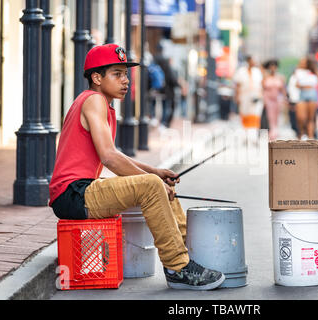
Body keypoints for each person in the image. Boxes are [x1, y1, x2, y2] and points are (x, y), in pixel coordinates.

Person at [49, 44, 225, 290]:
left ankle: (189, 257)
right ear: (97, 78)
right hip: (73, 195)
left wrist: (155, 172)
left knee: (160, 184)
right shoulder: (94, 101)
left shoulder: (101, 104)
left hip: (84, 190)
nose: (126, 80)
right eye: (117, 74)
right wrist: (153, 180)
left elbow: (114, 154)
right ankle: (177, 267)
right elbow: (109, 157)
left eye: (126, 74)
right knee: (154, 187)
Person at [233, 56, 264, 141]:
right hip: (244, 96)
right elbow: (237, 85)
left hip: (256, 96)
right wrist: (237, 96)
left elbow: (261, 84)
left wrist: (261, 95)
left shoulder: (257, 71)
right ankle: (245, 135)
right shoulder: (241, 71)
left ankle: (253, 136)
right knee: (245, 114)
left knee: (255, 115)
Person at [293, 56, 318, 140]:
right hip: (302, 94)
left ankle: (310, 136)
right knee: (301, 118)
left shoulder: (314, 72)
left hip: (312, 93)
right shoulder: (298, 71)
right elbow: (296, 84)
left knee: (310, 118)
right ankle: (301, 133)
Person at [154, 43, 180, 128]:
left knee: (156, 104)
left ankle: (155, 119)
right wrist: (177, 84)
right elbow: (170, 76)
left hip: (156, 87)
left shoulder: (154, 59)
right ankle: (163, 123)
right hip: (167, 88)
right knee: (166, 106)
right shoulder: (165, 61)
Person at [262, 59, 288, 141]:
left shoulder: (280, 77)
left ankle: (275, 131)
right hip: (268, 99)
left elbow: (283, 89)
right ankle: (272, 132)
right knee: (270, 116)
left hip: (277, 99)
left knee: (277, 116)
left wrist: (285, 98)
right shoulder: (265, 77)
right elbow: (262, 89)